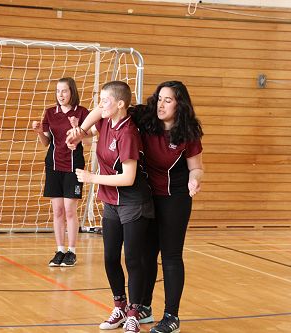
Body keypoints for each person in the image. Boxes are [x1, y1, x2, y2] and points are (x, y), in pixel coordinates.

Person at [68, 81, 204, 333]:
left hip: (174, 197)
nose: (161, 104)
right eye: (160, 98)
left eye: (168, 100)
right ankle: (144, 307)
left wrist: (195, 179)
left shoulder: (188, 132)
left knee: (171, 256)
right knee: (145, 255)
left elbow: (196, 166)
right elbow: (102, 108)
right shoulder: (146, 116)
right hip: (146, 196)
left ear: (180, 104)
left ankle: (171, 316)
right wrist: (81, 131)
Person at [69, 81, 154, 333]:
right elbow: (97, 112)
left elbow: (127, 178)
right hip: (111, 203)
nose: (99, 104)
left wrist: (91, 178)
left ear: (120, 105)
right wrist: (80, 132)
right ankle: (119, 305)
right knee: (109, 258)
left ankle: (134, 313)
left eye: (105, 100)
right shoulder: (106, 121)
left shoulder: (128, 133)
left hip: (134, 202)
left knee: (132, 259)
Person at [32, 77, 89, 267]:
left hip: (73, 166)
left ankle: (72, 251)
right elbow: (46, 142)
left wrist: (76, 127)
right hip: (53, 165)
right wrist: (40, 131)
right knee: (57, 211)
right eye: (58, 91)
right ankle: (60, 250)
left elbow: (88, 142)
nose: (60, 95)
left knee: (70, 210)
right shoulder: (50, 113)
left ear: (72, 91)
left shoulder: (82, 112)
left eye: (64, 91)